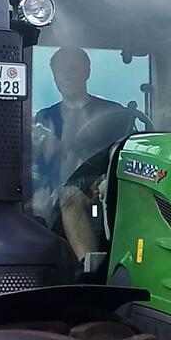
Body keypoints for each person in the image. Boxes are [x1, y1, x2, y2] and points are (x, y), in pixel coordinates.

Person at [34, 47, 135, 258]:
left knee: (69, 197)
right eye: (62, 71)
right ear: (54, 77)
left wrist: (104, 181)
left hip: (102, 188)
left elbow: (124, 154)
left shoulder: (113, 114)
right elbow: (38, 164)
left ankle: (89, 271)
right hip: (53, 189)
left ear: (86, 72)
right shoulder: (44, 119)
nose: (68, 75)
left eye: (74, 69)